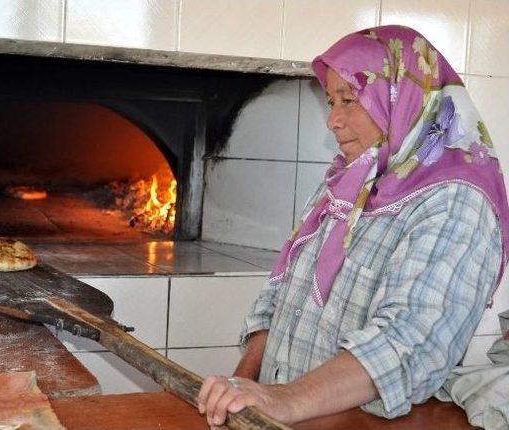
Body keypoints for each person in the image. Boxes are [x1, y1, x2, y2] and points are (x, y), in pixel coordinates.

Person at [197, 25, 509, 427]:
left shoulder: (458, 201)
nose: (333, 120)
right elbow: (279, 296)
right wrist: (245, 385)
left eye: (348, 100)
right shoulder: (350, 181)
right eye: (330, 101)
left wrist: (285, 400)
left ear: (402, 95)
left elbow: (409, 342)